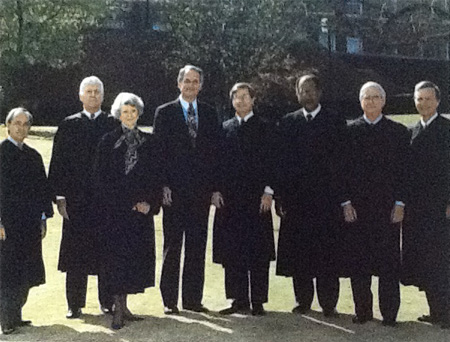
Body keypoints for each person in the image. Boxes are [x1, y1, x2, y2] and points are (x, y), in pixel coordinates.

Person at [153, 65, 222, 314]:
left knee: (196, 246)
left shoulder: (210, 113)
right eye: (187, 81)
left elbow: (216, 155)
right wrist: (162, 186)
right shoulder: (164, 113)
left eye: (195, 82)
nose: (191, 85)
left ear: (201, 85)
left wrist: (215, 188)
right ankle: (170, 301)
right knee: (172, 246)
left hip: (201, 193)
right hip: (174, 192)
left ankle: (192, 299)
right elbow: (158, 154)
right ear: (179, 83)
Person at [48, 76, 118, 318]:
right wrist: (59, 197)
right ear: (80, 96)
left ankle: (107, 301)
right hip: (76, 201)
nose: (93, 95)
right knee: (75, 253)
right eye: (88, 91)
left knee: (106, 252)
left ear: (103, 95)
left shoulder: (113, 124)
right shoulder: (68, 125)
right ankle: (74, 303)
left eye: (97, 92)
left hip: (105, 201)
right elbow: (57, 162)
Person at [276, 74, 345, 318]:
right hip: (296, 201)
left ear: (319, 92)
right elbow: (281, 164)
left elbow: (341, 164)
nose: (308, 94)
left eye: (311, 90)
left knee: (327, 253)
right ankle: (303, 301)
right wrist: (280, 198)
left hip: (326, 201)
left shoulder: (335, 121)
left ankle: (329, 303)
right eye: (303, 91)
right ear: (297, 94)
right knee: (300, 253)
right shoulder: (287, 123)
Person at [341, 82, 410, 327]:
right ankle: (362, 310)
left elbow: (405, 172)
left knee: (389, 263)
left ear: (384, 101)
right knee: (359, 262)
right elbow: (341, 172)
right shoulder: (348, 132)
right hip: (357, 210)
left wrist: (401, 203)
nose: (370, 101)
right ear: (360, 101)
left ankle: (389, 314)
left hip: (388, 209)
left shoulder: (399, 132)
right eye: (366, 97)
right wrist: (346, 202)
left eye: (375, 97)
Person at [94, 92, 162, 329]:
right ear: (118, 114)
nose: (130, 115)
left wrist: (150, 204)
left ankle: (125, 306)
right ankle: (116, 310)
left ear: (138, 113)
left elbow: (156, 177)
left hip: (140, 214)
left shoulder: (149, 142)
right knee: (115, 261)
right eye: (125, 112)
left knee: (134, 260)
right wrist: (126, 202)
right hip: (115, 212)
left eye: (133, 111)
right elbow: (102, 179)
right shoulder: (107, 141)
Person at [213, 83, 275, 316]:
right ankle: (238, 299)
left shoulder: (265, 128)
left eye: (245, 96)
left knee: (257, 251)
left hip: (257, 199)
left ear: (253, 99)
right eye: (236, 97)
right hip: (230, 201)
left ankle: (258, 300)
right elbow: (216, 164)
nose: (240, 101)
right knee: (233, 251)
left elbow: (273, 162)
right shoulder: (224, 129)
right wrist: (216, 190)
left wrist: (269, 192)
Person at [0, 108, 53, 335]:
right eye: (17, 123)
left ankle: (17, 314)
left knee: (26, 271)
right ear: (8, 125)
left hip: (29, 224)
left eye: (25, 124)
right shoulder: (1, 154)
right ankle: (6, 318)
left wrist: (43, 218)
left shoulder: (33, 156)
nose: (21, 128)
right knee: (8, 271)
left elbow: (42, 189)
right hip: (8, 225)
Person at [402, 81, 450, 329]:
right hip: (417, 209)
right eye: (419, 99)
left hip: (442, 207)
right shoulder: (411, 132)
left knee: (443, 260)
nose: (423, 103)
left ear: (438, 101)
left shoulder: (447, 129)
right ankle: (436, 310)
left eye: (428, 99)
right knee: (426, 260)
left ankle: (447, 312)